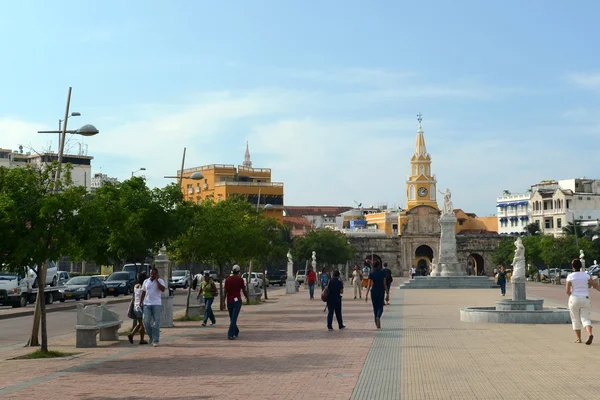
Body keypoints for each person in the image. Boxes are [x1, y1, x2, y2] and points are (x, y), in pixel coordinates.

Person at [566, 258, 600, 344]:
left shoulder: (570, 276)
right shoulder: (586, 275)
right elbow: (595, 286)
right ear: (581, 266)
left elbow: (567, 291)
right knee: (585, 318)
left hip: (574, 298)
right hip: (585, 298)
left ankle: (579, 339)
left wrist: (572, 296)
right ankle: (589, 334)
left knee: (575, 319)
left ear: (572, 267)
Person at [140, 267, 165, 347]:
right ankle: (151, 336)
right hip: (147, 304)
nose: (152, 275)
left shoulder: (160, 280)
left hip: (156, 304)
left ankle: (156, 340)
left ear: (157, 274)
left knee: (156, 323)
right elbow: (143, 292)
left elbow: (163, 289)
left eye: (154, 274)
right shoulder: (146, 281)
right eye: (151, 273)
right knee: (146, 321)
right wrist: (141, 301)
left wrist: (157, 280)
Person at [224, 265, 248, 340]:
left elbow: (225, 291)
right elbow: (243, 290)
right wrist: (247, 297)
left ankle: (235, 331)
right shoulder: (240, 280)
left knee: (232, 318)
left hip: (229, 301)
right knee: (233, 318)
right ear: (238, 271)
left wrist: (222, 301)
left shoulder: (227, 280)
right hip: (237, 301)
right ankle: (231, 334)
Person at [365, 261, 389, 329]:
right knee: (380, 307)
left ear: (373, 266)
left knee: (375, 307)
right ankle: (378, 316)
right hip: (381, 291)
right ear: (379, 266)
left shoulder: (371, 273)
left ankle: (376, 320)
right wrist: (387, 293)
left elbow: (369, 285)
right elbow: (384, 284)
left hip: (373, 291)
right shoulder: (383, 273)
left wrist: (366, 295)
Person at [128, 272, 148, 345]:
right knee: (142, 324)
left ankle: (133, 335)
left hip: (136, 306)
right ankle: (140, 339)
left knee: (140, 323)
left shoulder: (136, 286)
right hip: (141, 306)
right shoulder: (143, 287)